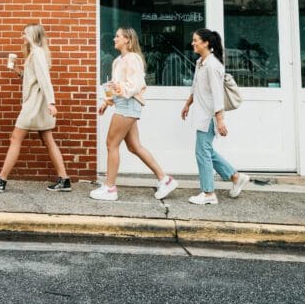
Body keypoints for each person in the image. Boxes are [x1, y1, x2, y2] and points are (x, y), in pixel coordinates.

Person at [90, 27, 178, 202]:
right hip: (124, 103)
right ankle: (165, 179)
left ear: (127, 41)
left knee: (111, 144)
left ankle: (110, 188)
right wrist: (107, 102)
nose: (114, 39)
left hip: (128, 104)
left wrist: (119, 89)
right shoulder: (118, 61)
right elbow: (118, 86)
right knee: (134, 146)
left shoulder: (133, 59)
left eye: (118, 36)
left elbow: (135, 85)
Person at [0, 24, 71, 193]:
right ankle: (64, 179)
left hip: (35, 104)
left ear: (33, 36)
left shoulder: (36, 53)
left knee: (15, 138)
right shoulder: (35, 53)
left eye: (25, 33)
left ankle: (1, 180)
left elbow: (45, 79)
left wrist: (52, 102)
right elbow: (34, 78)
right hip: (39, 104)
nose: (22, 36)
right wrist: (17, 70)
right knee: (48, 139)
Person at [181, 28, 250, 205]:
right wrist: (188, 103)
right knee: (206, 151)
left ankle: (209, 193)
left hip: (209, 117)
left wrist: (220, 120)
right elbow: (197, 86)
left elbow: (217, 94)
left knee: (202, 153)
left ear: (206, 43)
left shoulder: (212, 65)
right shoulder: (201, 62)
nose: (193, 43)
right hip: (202, 115)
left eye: (196, 40)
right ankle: (235, 177)